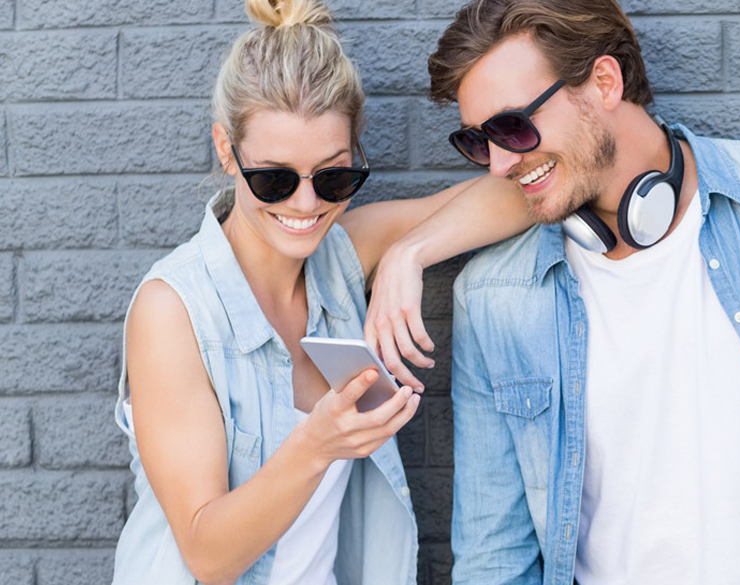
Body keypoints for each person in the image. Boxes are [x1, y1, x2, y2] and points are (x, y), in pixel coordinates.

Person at [376, 0, 740, 582]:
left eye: (512, 127)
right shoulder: (495, 299)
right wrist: (410, 248)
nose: (499, 165)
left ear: (604, 82)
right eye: (479, 142)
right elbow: (495, 560)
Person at [111, 0, 535, 583]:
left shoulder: (340, 256)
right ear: (224, 150)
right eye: (274, 179)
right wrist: (317, 445)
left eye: (334, 176)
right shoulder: (174, 310)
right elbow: (207, 554)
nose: (307, 206)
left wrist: (407, 255)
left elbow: (520, 195)